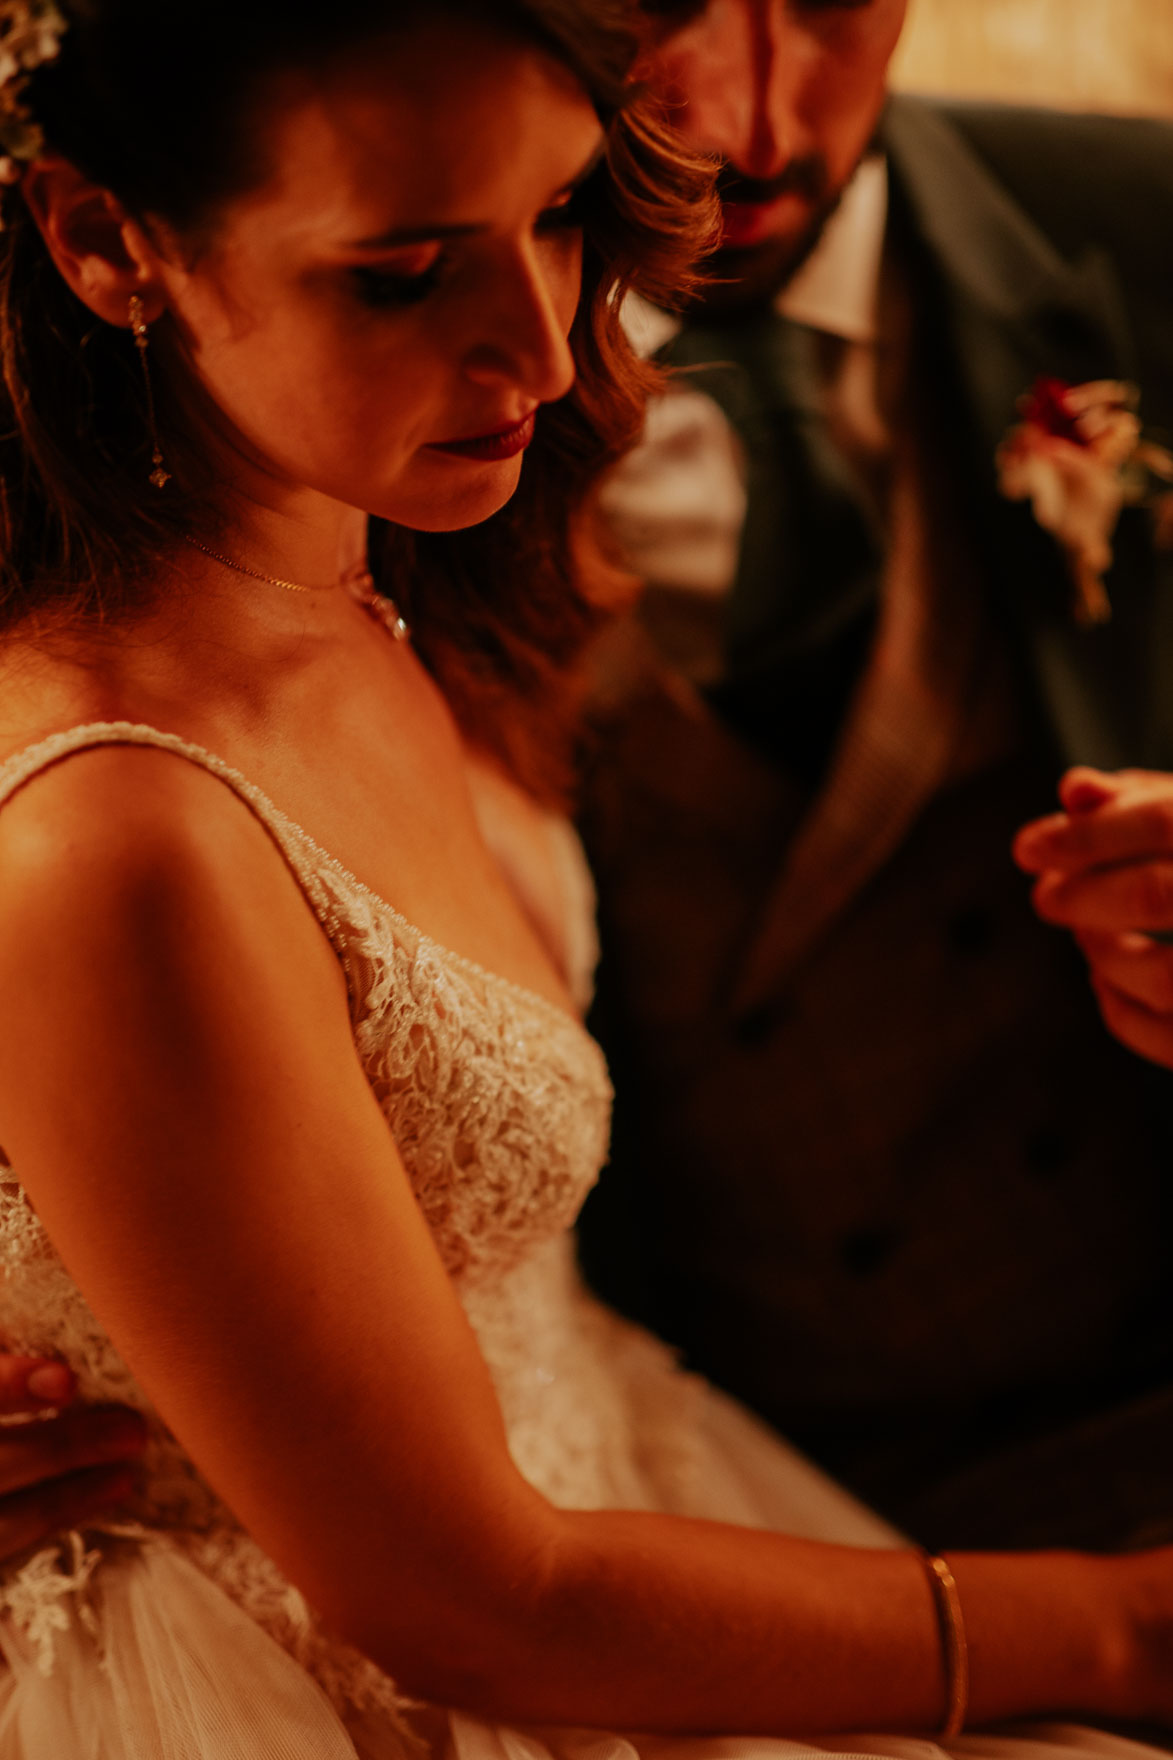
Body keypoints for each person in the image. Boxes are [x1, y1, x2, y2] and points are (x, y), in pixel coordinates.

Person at [5, 0, 1173, 1756]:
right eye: (401, 275)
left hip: (827, 1449)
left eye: (564, 220)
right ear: (106, 242)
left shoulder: (383, 549)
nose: (548, 360)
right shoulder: (122, 803)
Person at [575, 0, 1173, 1553]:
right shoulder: (258, 363)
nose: (756, 127)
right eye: (661, 5)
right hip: (688, 1518)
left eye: (833, 3)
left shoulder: (1147, 229)